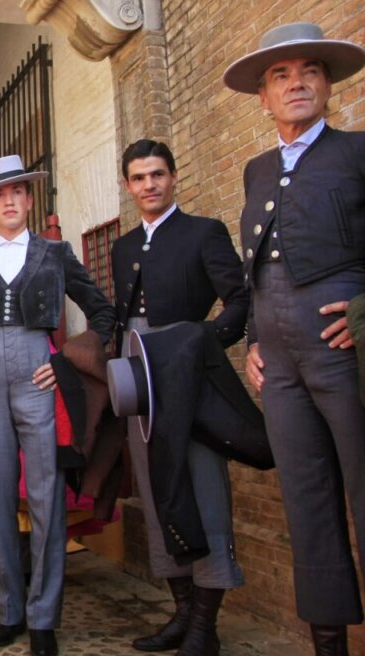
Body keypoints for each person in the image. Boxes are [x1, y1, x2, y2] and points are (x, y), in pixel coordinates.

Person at [223, 22, 365, 655]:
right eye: (280, 75)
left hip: (345, 353)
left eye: (309, 71)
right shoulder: (256, 170)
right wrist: (254, 337)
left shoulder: (356, 152)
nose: (296, 83)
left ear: (328, 86)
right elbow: (256, 266)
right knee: (306, 503)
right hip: (279, 367)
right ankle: (328, 646)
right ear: (264, 98)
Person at [0, 154, 114, 656]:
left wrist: (65, 363)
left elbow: (102, 312)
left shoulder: (55, 252)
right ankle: (10, 610)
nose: (9, 202)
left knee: (45, 494)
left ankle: (44, 617)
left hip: (37, 374)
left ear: (28, 197)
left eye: (16, 192)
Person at [111, 140, 248, 655]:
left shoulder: (203, 232)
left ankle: (205, 628)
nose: (149, 184)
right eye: (139, 177)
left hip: (189, 379)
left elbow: (241, 299)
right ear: (128, 186)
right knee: (155, 493)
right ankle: (183, 614)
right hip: (140, 380)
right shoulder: (123, 247)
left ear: (173, 177)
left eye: (157, 174)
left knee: (203, 488)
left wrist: (202, 345)